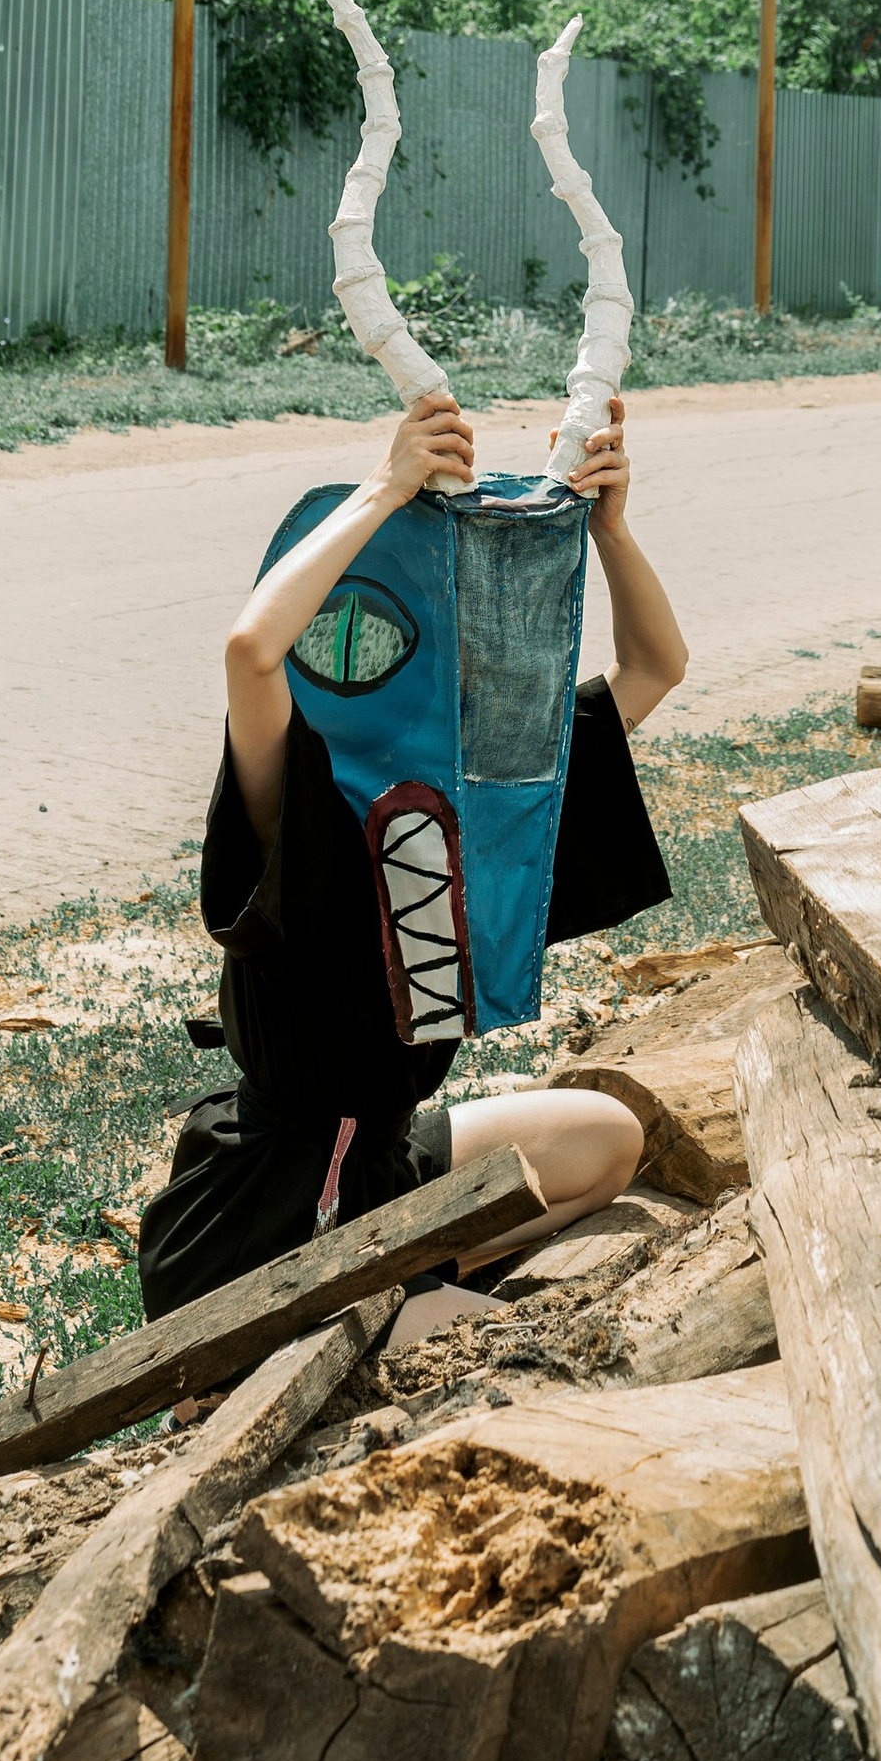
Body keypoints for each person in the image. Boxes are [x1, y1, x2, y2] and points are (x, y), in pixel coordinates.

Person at [137, 386, 687, 1321]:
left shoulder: (489, 790)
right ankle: (406, 1305)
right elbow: (250, 650)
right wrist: (387, 488)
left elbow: (656, 668)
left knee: (608, 1138)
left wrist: (609, 528)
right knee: (504, 1348)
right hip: (262, 1222)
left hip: (384, 1162)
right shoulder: (295, 792)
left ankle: (415, 1286)